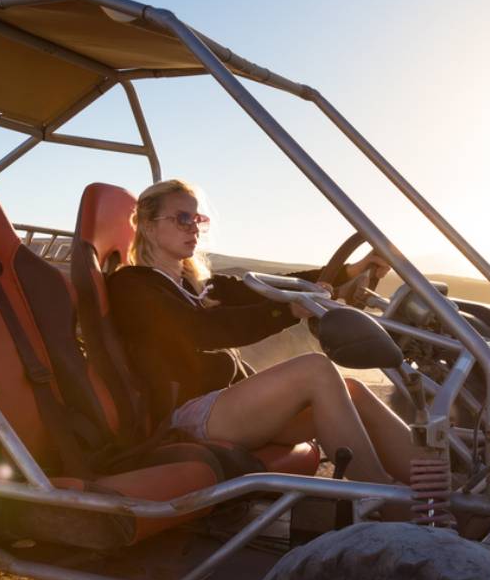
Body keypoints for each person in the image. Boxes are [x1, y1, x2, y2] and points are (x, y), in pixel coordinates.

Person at [106, 179, 413, 485]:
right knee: (315, 368)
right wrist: (288, 310)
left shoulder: (194, 285)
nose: (193, 228)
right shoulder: (133, 286)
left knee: (353, 390)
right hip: (187, 415)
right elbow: (201, 330)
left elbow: (268, 288)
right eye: (183, 218)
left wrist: (352, 270)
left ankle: (437, 491)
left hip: (225, 407)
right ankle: (384, 499)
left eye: (198, 219)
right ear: (147, 226)